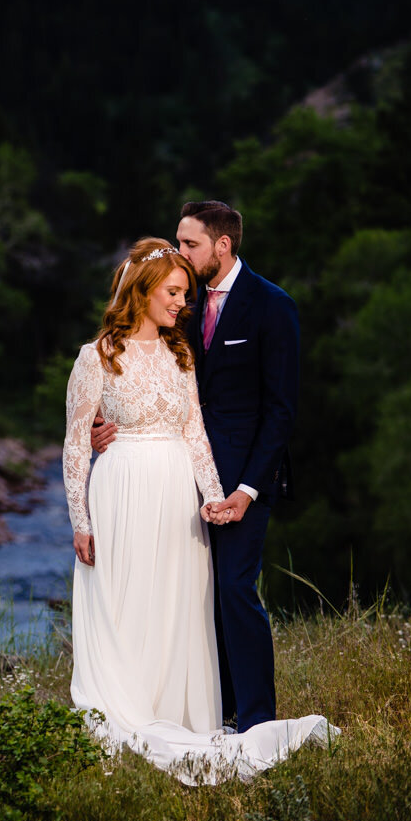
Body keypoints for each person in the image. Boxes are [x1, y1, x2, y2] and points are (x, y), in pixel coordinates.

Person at [65, 235, 332, 785]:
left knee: (178, 605)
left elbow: (195, 436)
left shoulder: (179, 353)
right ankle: (128, 709)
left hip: (176, 498)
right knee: (126, 602)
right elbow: (73, 445)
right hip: (120, 491)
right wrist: (81, 522)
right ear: (140, 291)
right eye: (172, 292)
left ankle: (182, 711)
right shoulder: (95, 358)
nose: (180, 304)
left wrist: (213, 496)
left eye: (185, 294)